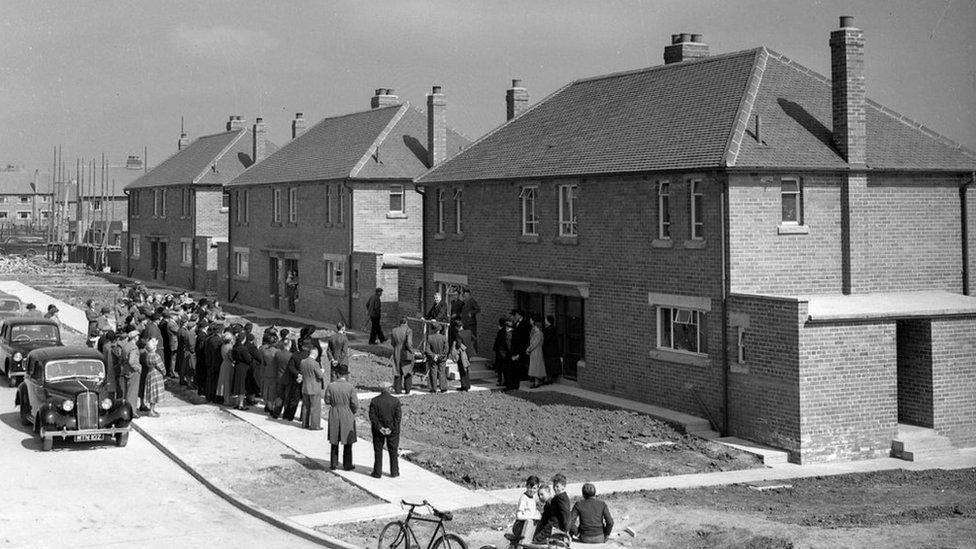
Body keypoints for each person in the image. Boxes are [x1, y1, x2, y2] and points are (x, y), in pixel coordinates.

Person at [324, 363, 358, 470]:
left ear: (337, 374)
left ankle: (333, 463)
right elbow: (355, 404)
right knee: (348, 440)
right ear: (345, 375)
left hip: (334, 412)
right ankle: (347, 464)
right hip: (347, 412)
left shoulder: (331, 386)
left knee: (334, 439)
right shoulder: (350, 387)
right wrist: (352, 411)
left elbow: (327, 400)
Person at [369, 381, 401, 478]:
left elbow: (372, 417)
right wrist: (390, 428)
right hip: (393, 430)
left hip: (378, 431)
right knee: (393, 450)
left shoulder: (374, 401)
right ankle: (394, 472)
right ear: (389, 389)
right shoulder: (395, 401)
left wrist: (380, 428)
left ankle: (377, 472)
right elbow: (398, 417)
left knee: (378, 450)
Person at [534, 474, 572, 544]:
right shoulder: (558, 497)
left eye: (557, 486)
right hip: (551, 526)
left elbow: (566, 514)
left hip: (553, 526)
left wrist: (566, 531)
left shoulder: (561, 498)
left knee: (537, 539)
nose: (555, 488)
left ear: (563, 486)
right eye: (554, 486)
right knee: (538, 538)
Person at [299, 344, 326, 430]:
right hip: (314, 388)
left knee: (306, 407)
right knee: (315, 408)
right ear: (315, 353)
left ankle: (304, 424)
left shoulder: (303, 362)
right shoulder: (315, 364)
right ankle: (315, 425)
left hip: (305, 387)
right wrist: (322, 371)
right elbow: (320, 376)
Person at [271, 331, 295, 418]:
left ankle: (276, 413)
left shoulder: (278, 354)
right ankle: (285, 414)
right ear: (289, 345)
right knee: (287, 397)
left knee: (279, 396)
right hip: (288, 378)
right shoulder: (291, 355)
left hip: (279, 377)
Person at [389, 316, 414, 394]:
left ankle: (398, 390)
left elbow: (392, 343)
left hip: (397, 351)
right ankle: (407, 390)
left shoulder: (394, 330)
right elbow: (409, 343)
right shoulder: (408, 330)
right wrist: (412, 351)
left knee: (397, 370)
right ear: (406, 322)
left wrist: (397, 347)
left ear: (400, 322)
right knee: (407, 370)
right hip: (406, 352)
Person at [120, 330, 141, 417]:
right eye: (137, 336)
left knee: (127, 392)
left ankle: (126, 409)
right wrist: (138, 368)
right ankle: (132, 411)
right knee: (133, 392)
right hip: (133, 372)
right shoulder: (134, 347)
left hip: (126, 370)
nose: (138, 337)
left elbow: (123, 358)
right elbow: (131, 361)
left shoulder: (126, 345)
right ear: (135, 337)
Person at [143, 337, 166, 417]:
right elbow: (161, 366)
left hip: (149, 373)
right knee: (154, 392)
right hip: (156, 374)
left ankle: (151, 409)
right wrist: (164, 372)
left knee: (151, 391)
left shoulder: (148, 355)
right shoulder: (156, 356)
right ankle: (151, 411)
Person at [231, 332, 253, 410]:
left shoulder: (234, 347)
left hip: (237, 366)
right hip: (243, 368)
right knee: (242, 386)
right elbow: (248, 359)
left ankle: (237, 403)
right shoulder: (243, 348)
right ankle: (241, 404)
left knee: (237, 385)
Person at [424, 323, 449, 393]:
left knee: (433, 372)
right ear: (439, 330)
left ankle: (433, 388)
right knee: (442, 372)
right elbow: (446, 349)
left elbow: (427, 350)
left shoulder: (430, 337)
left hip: (433, 358)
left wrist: (434, 356)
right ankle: (443, 388)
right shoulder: (444, 338)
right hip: (442, 358)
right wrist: (440, 356)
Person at [259, 331, 279, 413]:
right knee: (272, 390)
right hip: (274, 371)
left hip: (266, 371)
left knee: (266, 388)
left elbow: (263, 363)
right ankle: (271, 407)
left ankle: (267, 405)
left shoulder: (265, 351)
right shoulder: (277, 351)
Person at [451, 319, 473, 391]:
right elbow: (473, 339)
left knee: (462, 369)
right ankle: (468, 385)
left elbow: (459, 345)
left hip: (463, 354)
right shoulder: (469, 332)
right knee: (466, 369)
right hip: (469, 353)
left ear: (457, 327)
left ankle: (464, 386)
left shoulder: (458, 334)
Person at [216, 331, 236, 404]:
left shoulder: (222, 346)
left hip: (223, 364)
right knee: (228, 382)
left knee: (223, 382)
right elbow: (231, 357)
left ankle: (225, 400)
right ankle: (227, 401)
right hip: (229, 365)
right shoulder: (230, 347)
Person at [492, 317, 512, 387]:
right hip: (504, 352)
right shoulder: (506, 332)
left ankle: (500, 381)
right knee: (505, 368)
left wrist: (495, 349)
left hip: (500, 352)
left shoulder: (501, 332)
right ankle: (505, 381)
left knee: (500, 368)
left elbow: (497, 342)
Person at [527, 317, 546, 388]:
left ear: (537, 327)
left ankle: (537, 382)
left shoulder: (539, 334)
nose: (534, 328)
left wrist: (529, 349)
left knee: (536, 367)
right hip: (535, 352)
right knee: (535, 367)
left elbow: (535, 343)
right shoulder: (537, 334)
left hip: (537, 351)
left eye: (535, 326)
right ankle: (537, 382)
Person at [542, 315, 561, 385]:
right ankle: (549, 378)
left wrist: (543, 346)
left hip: (549, 350)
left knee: (548, 365)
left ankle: (548, 379)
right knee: (550, 364)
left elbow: (546, 340)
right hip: (553, 350)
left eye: (545, 319)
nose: (544, 320)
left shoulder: (548, 330)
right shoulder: (553, 329)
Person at [177, 317, 196, 387]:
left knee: (186, 368)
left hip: (186, 352)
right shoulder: (190, 334)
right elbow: (191, 345)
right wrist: (194, 351)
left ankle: (189, 383)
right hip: (190, 353)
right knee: (189, 369)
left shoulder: (187, 332)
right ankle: (189, 384)